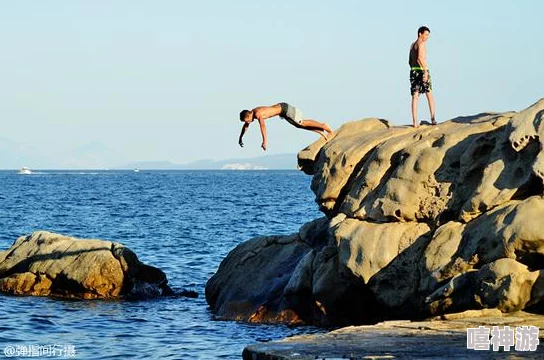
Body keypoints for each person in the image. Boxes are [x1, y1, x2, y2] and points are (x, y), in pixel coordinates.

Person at [238, 102, 333, 150]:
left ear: (249, 115)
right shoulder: (251, 114)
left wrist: (264, 142)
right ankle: (321, 131)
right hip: (282, 112)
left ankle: (323, 125)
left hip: (284, 109)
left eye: (247, 120)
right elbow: (245, 126)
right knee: (299, 126)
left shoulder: (257, 114)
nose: (248, 122)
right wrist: (240, 138)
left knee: (301, 122)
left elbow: (263, 126)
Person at [409, 26, 436, 127]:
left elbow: (410, 61)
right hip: (422, 70)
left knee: (415, 96)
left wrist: (413, 69)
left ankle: (415, 122)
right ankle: (433, 119)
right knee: (429, 95)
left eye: (428, 35)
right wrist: (425, 71)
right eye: (426, 34)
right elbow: (420, 58)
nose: (427, 37)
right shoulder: (421, 44)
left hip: (414, 71)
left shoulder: (412, 45)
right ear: (420, 34)